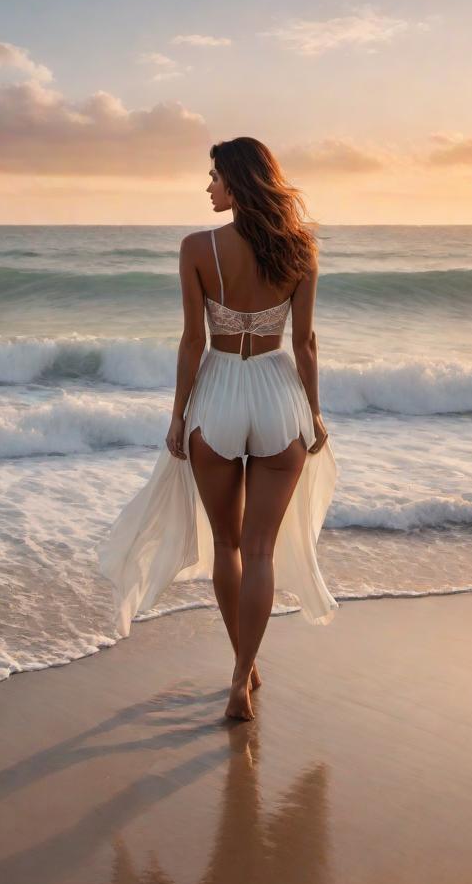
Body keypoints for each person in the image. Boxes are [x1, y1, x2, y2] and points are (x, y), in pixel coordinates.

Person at [96, 136, 338, 721]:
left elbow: (191, 341)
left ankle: (243, 669)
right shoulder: (300, 248)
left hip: (220, 394)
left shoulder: (196, 248)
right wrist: (315, 411)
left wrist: (178, 415)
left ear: (236, 182)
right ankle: (240, 676)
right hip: (279, 396)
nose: (208, 187)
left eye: (214, 177)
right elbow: (303, 343)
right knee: (260, 551)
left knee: (226, 546)